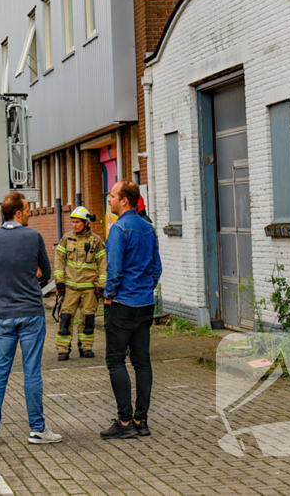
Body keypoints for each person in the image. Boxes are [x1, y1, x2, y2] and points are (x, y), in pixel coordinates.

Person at [0, 192, 61, 446]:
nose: (29, 213)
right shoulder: (33, 236)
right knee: (31, 372)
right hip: (31, 314)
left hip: (3, 315)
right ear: (17, 212)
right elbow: (46, 273)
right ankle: (37, 429)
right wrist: (33, 273)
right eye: (27, 209)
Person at [99, 180, 162, 440]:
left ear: (124, 200)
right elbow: (157, 269)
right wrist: (146, 289)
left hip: (122, 305)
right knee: (142, 362)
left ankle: (125, 422)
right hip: (145, 304)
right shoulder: (149, 229)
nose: (109, 200)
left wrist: (109, 295)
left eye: (112, 196)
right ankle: (142, 420)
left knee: (115, 360)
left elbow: (114, 270)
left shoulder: (119, 229)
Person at [53, 206, 106, 361]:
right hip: (70, 288)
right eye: (73, 222)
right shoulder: (66, 239)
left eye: (77, 222)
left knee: (88, 319)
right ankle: (63, 350)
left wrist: (101, 285)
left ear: (86, 222)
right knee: (65, 319)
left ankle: (86, 347)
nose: (74, 225)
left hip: (89, 289)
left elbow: (103, 264)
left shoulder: (96, 241)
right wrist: (59, 282)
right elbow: (59, 261)